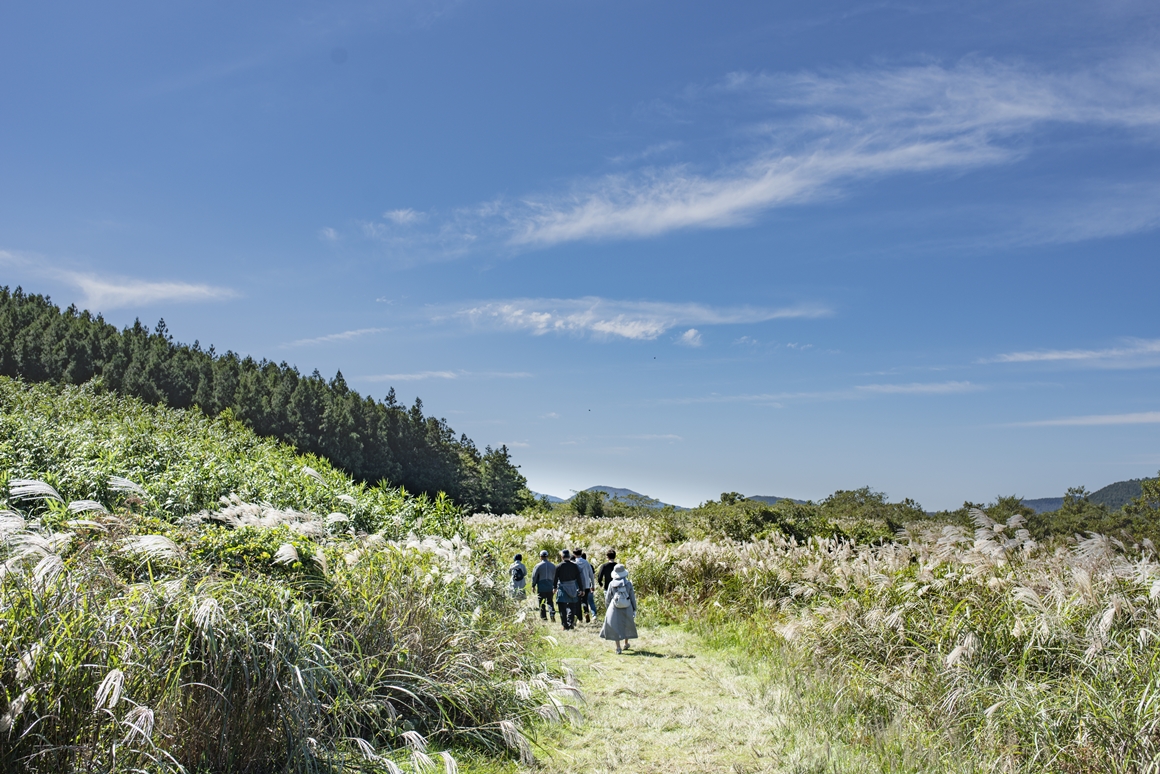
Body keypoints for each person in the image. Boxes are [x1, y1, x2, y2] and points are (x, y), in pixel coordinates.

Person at [600, 563, 638, 654]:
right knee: (626, 624)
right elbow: (632, 597)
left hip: (614, 607)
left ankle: (618, 647)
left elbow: (608, 598)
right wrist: (634, 609)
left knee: (615, 626)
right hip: (627, 606)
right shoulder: (628, 584)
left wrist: (608, 608)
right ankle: (626, 643)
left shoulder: (611, 584)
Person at [554, 549, 583, 630]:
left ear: (562, 557)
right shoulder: (575, 566)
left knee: (562, 607)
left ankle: (564, 624)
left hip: (562, 587)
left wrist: (554, 587)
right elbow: (579, 578)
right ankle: (570, 622)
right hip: (573, 587)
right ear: (569, 557)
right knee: (572, 606)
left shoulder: (559, 566)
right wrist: (581, 589)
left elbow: (555, 578)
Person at [531, 550, 556, 621]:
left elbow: (534, 576)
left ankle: (544, 617)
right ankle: (552, 614)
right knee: (550, 601)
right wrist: (555, 586)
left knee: (542, 602)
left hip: (541, 586)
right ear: (547, 556)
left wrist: (533, 585)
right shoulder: (552, 566)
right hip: (550, 585)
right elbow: (555, 577)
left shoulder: (538, 566)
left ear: (540, 557)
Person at [575, 549, 596, 623]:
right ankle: (586, 612)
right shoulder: (586, 563)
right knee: (585, 600)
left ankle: (579, 619)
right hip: (586, 585)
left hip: (577, 585)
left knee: (577, 602)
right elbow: (591, 575)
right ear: (581, 553)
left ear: (574, 554)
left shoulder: (574, 563)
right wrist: (593, 585)